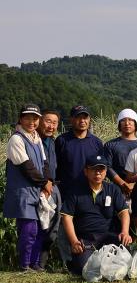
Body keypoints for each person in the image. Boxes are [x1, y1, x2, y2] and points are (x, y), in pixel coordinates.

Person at [60, 155, 132, 275]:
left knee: (126, 255)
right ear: (86, 171)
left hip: (109, 237)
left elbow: (124, 212)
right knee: (83, 268)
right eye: (94, 169)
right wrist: (74, 241)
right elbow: (66, 217)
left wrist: (125, 232)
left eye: (101, 169)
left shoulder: (113, 189)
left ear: (105, 172)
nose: (98, 173)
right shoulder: (75, 192)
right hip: (87, 240)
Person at [4, 104, 53, 271]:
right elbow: (27, 167)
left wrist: (48, 181)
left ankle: (35, 263)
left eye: (35, 118)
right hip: (23, 191)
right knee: (29, 229)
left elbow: (44, 163)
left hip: (36, 190)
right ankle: (24, 265)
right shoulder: (16, 139)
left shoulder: (36, 138)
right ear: (20, 118)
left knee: (40, 229)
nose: (32, 121)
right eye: (27, 117)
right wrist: (44, 183)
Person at [55, 105, 103, 199]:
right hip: (66, 193)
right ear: (71, 119)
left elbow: (102, 167)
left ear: (89, 120)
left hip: (90, 193)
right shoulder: (61, 140)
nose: (82, 121)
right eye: (78, 117)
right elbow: (55, 166)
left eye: (85, 118)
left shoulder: (96, 142)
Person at [36, 109, 62, 268]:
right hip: (38, 188)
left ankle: (42, 264)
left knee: (53, 226)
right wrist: (44, 184)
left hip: (53, 187)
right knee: (38, 226)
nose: (51, 126)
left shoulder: (53, 142)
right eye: (48, 121)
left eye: (54, 123)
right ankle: (33, 262)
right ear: (39, 121)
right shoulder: (32, 140)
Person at [103, 109, 137, 201]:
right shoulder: (110, 145)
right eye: (123, 120)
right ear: (119, 124)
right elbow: (107, 167)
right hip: (116, 190)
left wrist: (132, 184)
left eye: (130, 120)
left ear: (136, 123)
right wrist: (122, 184)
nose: (127, 123)